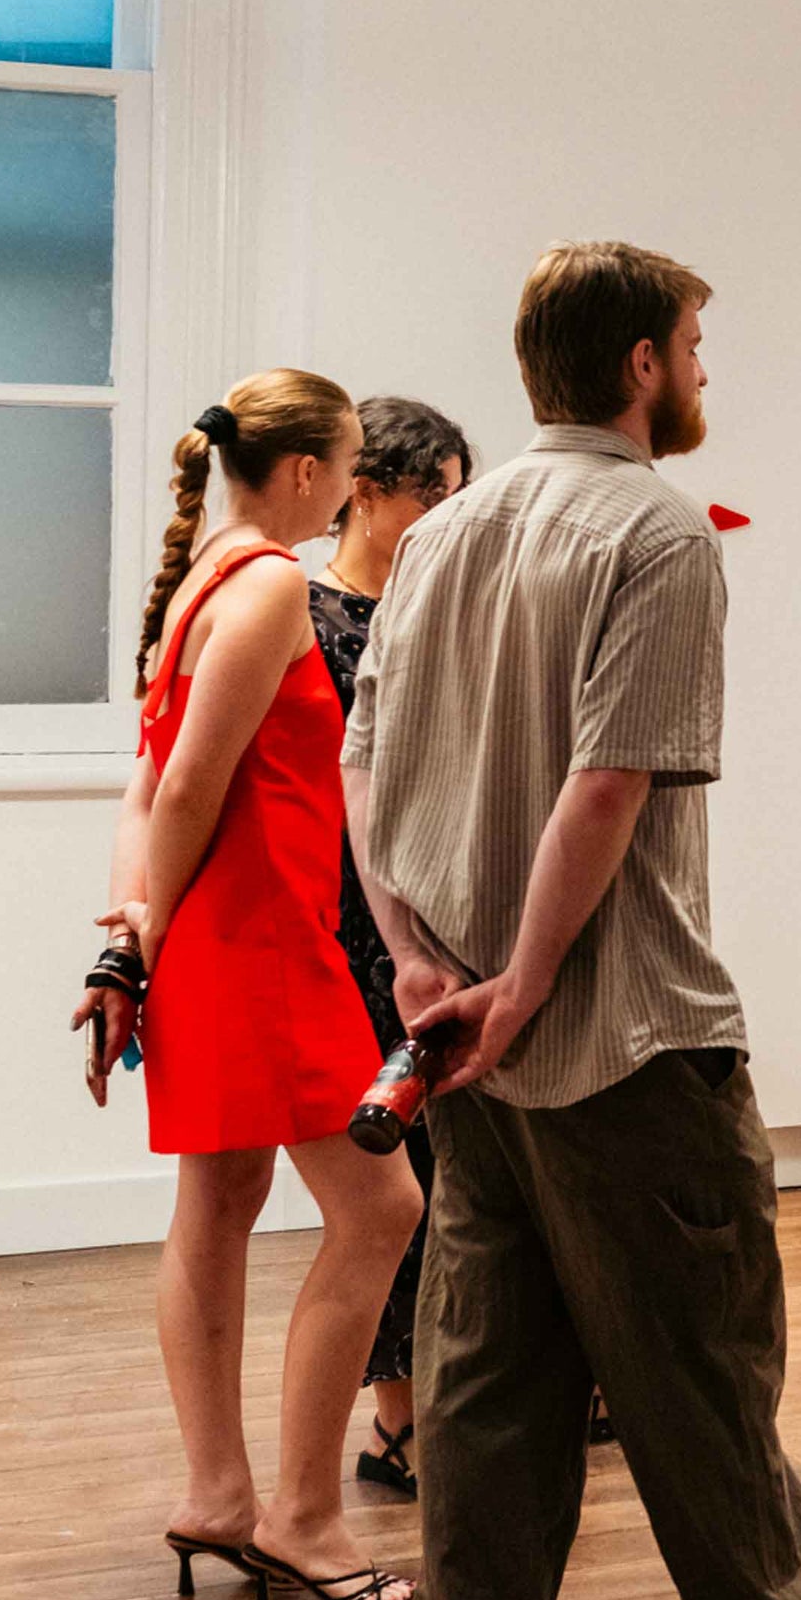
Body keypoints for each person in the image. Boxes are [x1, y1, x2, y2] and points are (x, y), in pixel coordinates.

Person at [342, 243, 801, 1600]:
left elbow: (367, 774)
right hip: (624, 1040)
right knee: (699, 1371)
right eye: (693, 343)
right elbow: (606, 785)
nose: (701, 371)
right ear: (636, 365)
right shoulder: (657, 534)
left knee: (490, 1387)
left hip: (462, 1043)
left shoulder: (444, 533)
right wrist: (533, 981)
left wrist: (424, 967)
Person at [74, 371, 425, 1600]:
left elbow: (145, 791)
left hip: (218, 943)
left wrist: (130, 941)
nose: (348, 490)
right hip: (264, 944)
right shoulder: (275, 579)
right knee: (382, 1208)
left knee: (219, 1202)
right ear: (304, 476)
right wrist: (142, 940)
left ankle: (222, 1499)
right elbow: (184, 794)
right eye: (346, 467)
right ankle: (307, 1521)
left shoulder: (200, 583)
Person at [307, 394, 474, 1498]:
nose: (448, 521)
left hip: (430, 908)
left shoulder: (427, 608)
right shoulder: (306, 612)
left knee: (456, 1175)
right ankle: (397, 1423)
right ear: (365, 492)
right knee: (396, 1177)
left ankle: (436, 1409)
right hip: (346, 922)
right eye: (434, 498)